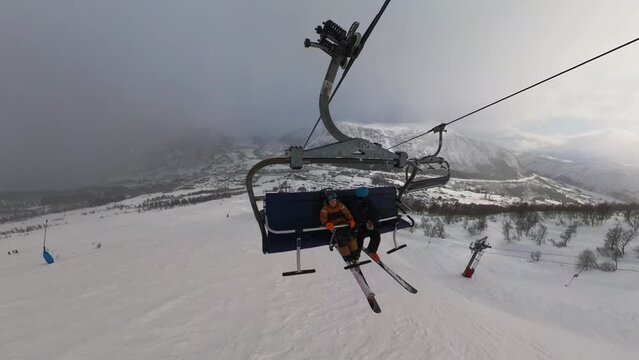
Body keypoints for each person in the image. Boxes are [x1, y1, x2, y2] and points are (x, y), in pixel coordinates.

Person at [319, 190, 359, 262]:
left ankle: (355, 254)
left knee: (352, 238)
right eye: (331, 202)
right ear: (328, 202)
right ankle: (347, 256)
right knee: (342, 241)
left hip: (344, 224)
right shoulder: (325, 209)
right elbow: (323, 218)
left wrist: (351, 220)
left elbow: (347, 213)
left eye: (334, 201)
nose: (333, 203)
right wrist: (327, 224)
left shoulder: (341, 206)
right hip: (335, 227)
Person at [350, 187, 381, 262]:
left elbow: (375, 212)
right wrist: (366, 221)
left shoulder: (368, 202)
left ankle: (371, 250)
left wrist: (373, 221)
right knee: (359, 237)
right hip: (359, 224)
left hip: (367, 223)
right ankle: (356, 254)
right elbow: (356, 215)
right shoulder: (354, 203)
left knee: (376, 234)